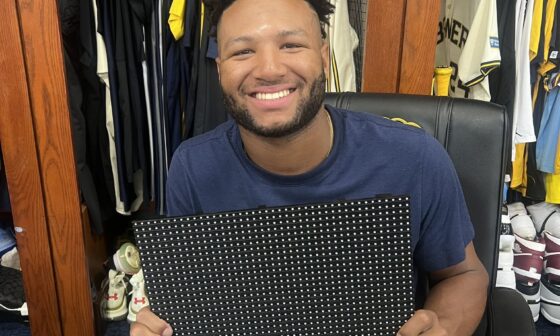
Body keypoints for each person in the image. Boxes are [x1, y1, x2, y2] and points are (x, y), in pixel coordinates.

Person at [130, 0, 489, 335]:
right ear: (220, 69)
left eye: (291, 45)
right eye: (243, 51)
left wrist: (441, 324)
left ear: (321, 54)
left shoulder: (415, 157)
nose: (269, 69)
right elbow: (192, 301)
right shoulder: (192, 167)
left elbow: (464, 275)